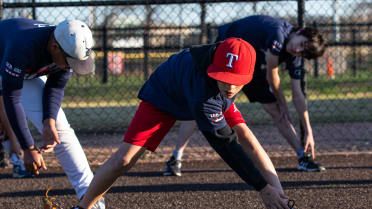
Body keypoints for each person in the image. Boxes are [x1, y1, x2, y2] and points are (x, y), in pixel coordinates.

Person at [71, 38, 293, 209]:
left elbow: (245, 142)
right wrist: (262, 188)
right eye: (223, 77)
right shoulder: (206, 94)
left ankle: (281, 199)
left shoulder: (226, 73)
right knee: (125, 159)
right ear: (214, 68)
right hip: (165, 93)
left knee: (247, 135)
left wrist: (274, 193)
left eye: (236, 81)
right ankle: (83, 206)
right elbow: (226, 146)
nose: (230, 87)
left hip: (199, 90)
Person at [164, 15, 327, 176]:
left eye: (303, 52)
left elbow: (298, 94)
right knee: (202, 105)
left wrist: (309, 131)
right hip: (227, 59)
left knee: (278, 112)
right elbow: (272, 76)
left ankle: (302, 157)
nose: (298, 50)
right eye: (302, 44)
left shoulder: (294, 55)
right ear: (301, 32)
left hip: (251, 66)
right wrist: (283, 103)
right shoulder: (278, 33)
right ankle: (175, 157)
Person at [0, 18, 105, 209]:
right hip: (7, 59)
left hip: (19, 69)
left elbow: (55, 85)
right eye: (70, 62)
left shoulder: (66, 45)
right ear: (55, 47)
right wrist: (28, 147)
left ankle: (90, 199)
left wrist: (49, 121)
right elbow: (11, 98)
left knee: (60, 129)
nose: (72, 66)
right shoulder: (22, 47)